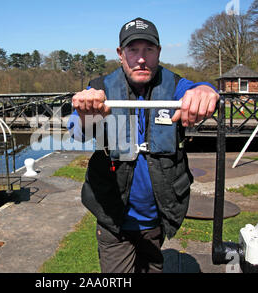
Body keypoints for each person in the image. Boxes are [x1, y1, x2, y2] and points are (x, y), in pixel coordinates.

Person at [67, 17, 219, 273]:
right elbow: (77, 134)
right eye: (133, 49)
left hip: (158, 218)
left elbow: (197, 89)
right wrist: (85, 112)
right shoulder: (99, 88)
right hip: (113, 219)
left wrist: (206, 90)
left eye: (148, 49)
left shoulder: (174, 85)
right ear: (120, 54)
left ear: (158, 52)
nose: (141, 58)